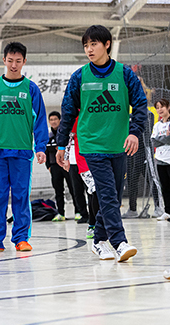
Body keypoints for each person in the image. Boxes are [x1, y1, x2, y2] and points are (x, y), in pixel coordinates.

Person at [55, 25, 147, 262]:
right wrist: (61, 145)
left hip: (118, 145)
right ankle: (119, 241)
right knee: (106, 194)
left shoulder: (125, 74)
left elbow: (140, 105)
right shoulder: (79, 77)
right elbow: (67, 111)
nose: (89, 49)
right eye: (86, 45)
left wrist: (134, 132)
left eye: (93, 44)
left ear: (107, 44)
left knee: (113, 196)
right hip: (91, 145)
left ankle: (98, 241)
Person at [0, 41, 49, 253]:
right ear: (4, 61)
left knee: (20, 195)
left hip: (22, 152)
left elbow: (40, 120)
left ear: (24, 61)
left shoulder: (32, 89)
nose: (14, 65)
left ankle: (21, 238)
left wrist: (41, 147)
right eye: (10, 61)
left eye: (18, 61)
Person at [44, 111, 74, 221]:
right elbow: (46, 151)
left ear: (60, 120)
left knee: (73, 188)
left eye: (55, 119)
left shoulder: (65, 133)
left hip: (66, 164)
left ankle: (79, 211)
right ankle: (61, 213)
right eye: (51, 120)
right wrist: (49, 166)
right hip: (54, 166)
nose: (53, 122)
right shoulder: (48, 135)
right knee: (58, 190)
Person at [151, 99, 170, 221]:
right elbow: (154, 141)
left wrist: (162, 139)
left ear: (168, 107)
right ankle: (167, 211)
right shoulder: (157, 125)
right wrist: (166, 136)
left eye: (162, 106)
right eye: (157, 107)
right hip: (160, 159)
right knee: (165, 187)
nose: (159, 109)